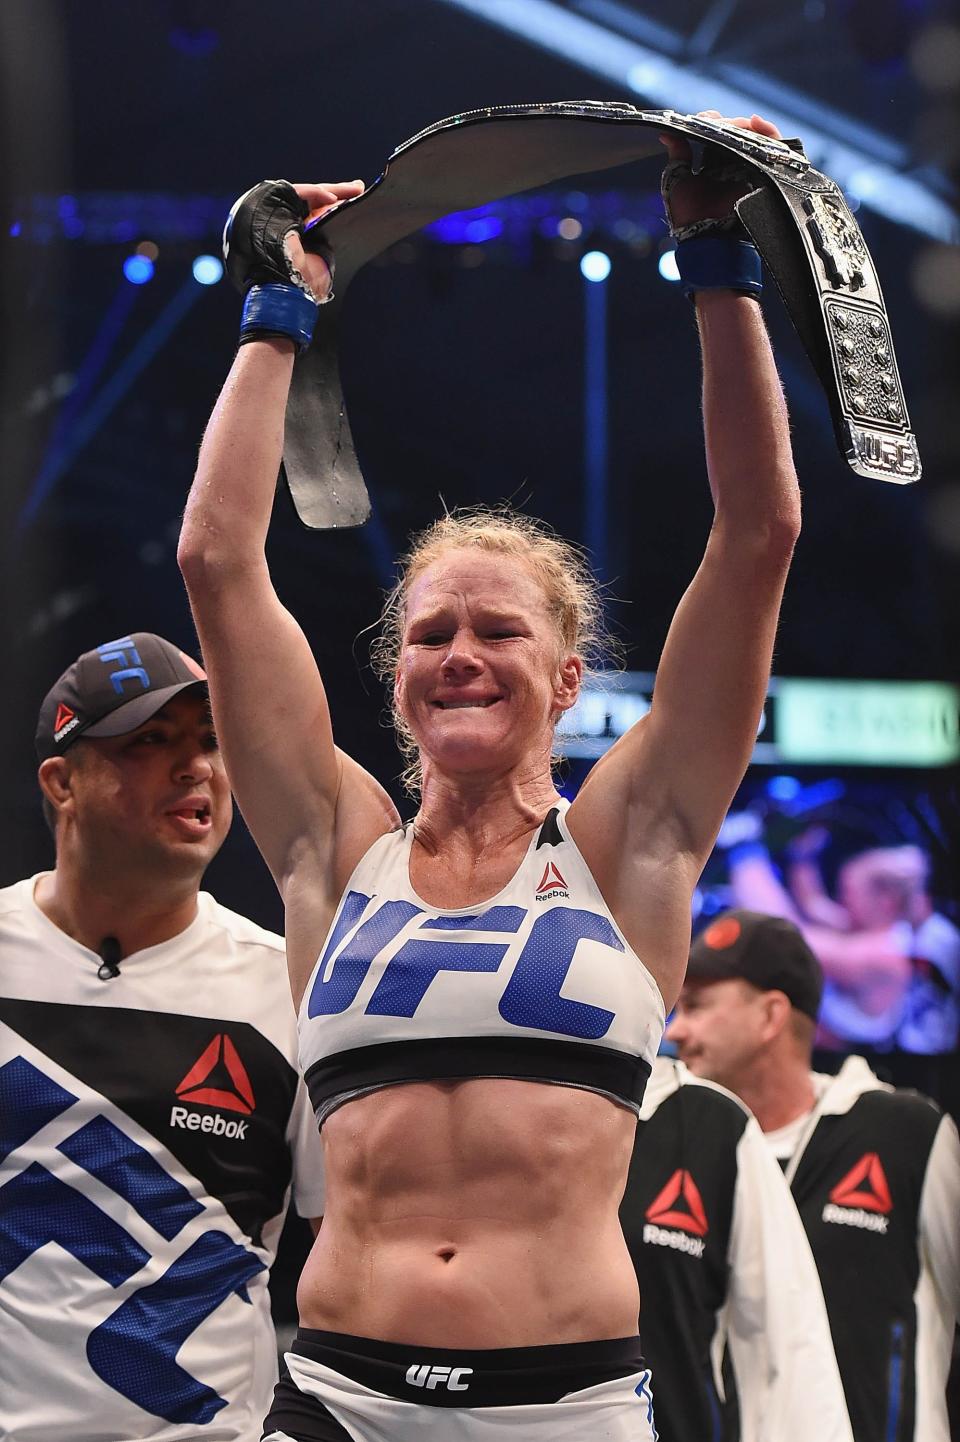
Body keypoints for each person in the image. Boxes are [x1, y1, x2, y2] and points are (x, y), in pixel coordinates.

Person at [178, 111, 802, 1442]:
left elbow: (757, 534)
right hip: (338, 1396)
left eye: (500, 631)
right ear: (395, 669)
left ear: (568, 678)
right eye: (431, 633)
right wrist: (273, 313)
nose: (461, 655)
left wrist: (718, 263)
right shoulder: (333, 849)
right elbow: (219, 563)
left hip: (561, 1413)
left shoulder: (633, 845)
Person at [0, 632, 325, 1442]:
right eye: (152, 741)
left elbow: (355, 1262)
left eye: (211, 741)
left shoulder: (290, 991)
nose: (197, 767)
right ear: (61, 781)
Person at [666, 908, 960, 1442]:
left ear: (770, 1016)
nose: (676, 1029)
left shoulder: (906, 1134)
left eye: (697, 1006)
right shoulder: (677, 1145)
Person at [622, 1054, 853, 1442]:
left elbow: (788, 1346)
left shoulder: (715, 1127)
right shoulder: (498, 1107)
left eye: (700, 1005)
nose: (681, 1032)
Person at [728, 831, 960, 1051]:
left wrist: (745, 851)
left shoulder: (885, 955)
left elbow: (784, 937)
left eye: (849, 892)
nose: (842, 901)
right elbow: (813, 904)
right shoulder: (874, 926)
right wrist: (804, 855)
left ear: (886, 901)